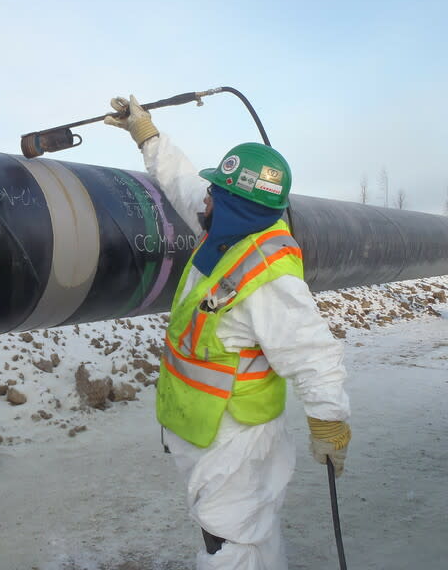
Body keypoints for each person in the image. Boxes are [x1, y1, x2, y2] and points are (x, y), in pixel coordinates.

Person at [105, 96, 351, 569]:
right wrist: (146, 134)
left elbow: (313, 352)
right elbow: (182, 182)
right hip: (205, 427)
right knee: (250, 535)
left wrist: (329, 422)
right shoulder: (226, 233)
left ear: (237, 204)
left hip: (236, 438)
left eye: (217, 191)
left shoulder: (269, 273)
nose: (206, 197)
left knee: (230, 542)